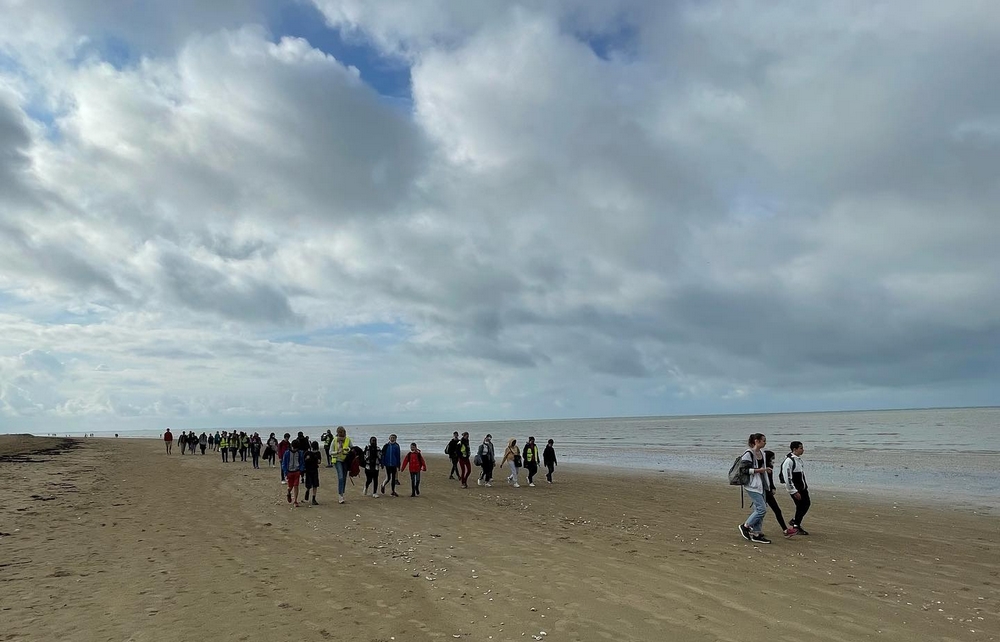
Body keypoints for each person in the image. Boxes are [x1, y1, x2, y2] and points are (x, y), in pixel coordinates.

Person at [738, 433, 771, 544]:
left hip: (761, 484)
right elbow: (744, 470)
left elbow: (763, 467)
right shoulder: (748, 454)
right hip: (752, 485)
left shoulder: (762, 453)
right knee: (762, 509)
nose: (765, 442)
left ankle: (757, 533)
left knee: (758, 509)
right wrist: (759, 470)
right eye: (763, 441)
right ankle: (746, 526)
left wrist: (766, 471)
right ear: (756, 441)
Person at [782, 441, 811, 535]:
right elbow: (788, 478)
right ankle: (796, 526)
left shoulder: (798, 460)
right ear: (795, 449)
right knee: (800, 506)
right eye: (801, 448)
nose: (803, 450)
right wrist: (793, 491)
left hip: (802, 488)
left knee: (806, 504)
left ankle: (795, 521)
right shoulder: (789, 461)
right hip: (796, 489)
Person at [764, 450, 796, 537]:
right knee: (775, 510)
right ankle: (785, 530)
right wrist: (772, 488)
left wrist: (773, 487)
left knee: (761, 511)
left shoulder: (766, 466)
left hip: (765, 491)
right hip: (766, 491)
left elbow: (770, 480)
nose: (773, 459)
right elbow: (768, 480)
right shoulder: (766, 468)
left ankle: (751, 527)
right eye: (772, 458)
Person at [331, 426, 352, 504]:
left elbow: (352, 448)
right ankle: (340, 495)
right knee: (340, 477)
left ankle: (342, 492)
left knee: (344, 477)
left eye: (342, 433)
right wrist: (336, 452)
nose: (340, 435)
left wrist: (348, 449)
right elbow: (330, 451)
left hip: (345, 460)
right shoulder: (334, 440)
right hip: (337, 460)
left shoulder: (348, 440)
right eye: (339, 433)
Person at [282, 440, 305, 507]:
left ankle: (295, 501)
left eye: (296, 448)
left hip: (297, 471)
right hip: (289, 472)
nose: (295, 449)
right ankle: (288, 492)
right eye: (294, 448)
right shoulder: (287, 453)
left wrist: (301, 470)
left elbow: (302, 462)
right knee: (290, 486)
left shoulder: (300, 453)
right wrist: (285, 472)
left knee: (296, 486)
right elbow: (284, 463)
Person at [303, 441, 322, 506]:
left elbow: (304, 460)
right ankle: (313, 498)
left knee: (310, 483)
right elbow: (319, 462)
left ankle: (308, 491)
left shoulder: (308, 453)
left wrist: (307, 459)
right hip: (314, 470)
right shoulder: (317, 453)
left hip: (309, 470)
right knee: (315, 484)